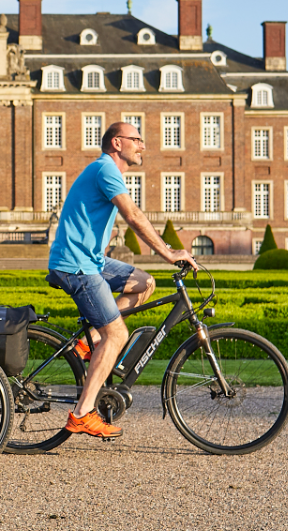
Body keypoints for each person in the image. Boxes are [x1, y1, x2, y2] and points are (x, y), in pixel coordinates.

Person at [47, 121, 197, 440]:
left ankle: (88, 343)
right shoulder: (105, 168)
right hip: (77, 266)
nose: (142, 146)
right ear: (117, 143)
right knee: (117, 334)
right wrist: (169, 253)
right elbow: (133, 216)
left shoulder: (105, 170)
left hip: (91, 262)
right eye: (136, 140)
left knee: (145, 283)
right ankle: (82, 414)